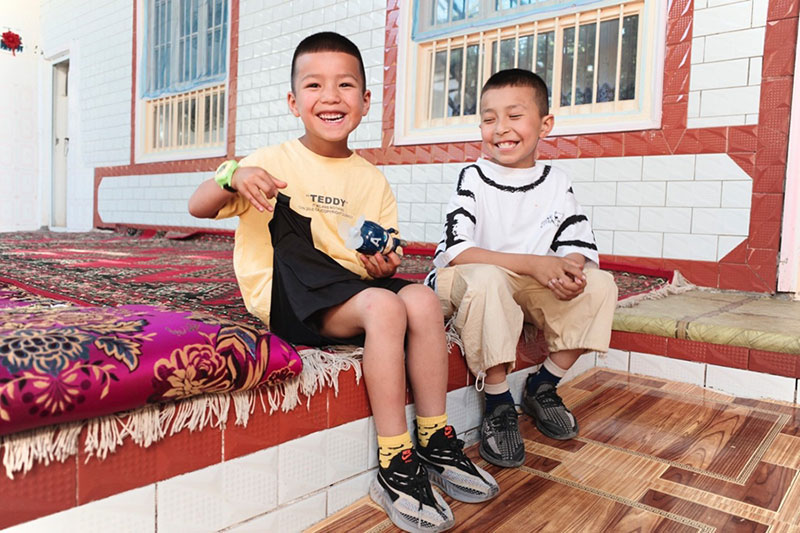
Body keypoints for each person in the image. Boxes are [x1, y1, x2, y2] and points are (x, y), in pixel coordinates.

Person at [188, 32, 498, 532]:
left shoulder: (371, 180)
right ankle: (395, 461)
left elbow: (386, 258)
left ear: (366, 101)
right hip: (289, 293)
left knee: (420, 298)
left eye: (346, 85)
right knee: (384, 308)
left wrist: (385, 265)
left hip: (349, 287)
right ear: (294, 102)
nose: (330, 96)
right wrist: (231, 177)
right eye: (314, 85)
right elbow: (198, 205)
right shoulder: (269, 164)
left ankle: (436, 437)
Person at [425, 68, 618, 468]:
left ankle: (542, 386)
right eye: (489, 117)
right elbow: (458, 250)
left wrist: (570, 272)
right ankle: (498, 403)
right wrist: (534, 262)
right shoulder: (474, 176)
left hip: (521, 283)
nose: (500, 128)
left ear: (545, 124)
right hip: (466, 278)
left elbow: (576, 243)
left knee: (599, 285)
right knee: (491, 279)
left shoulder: (555, 180)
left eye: (514, 116)